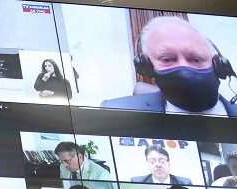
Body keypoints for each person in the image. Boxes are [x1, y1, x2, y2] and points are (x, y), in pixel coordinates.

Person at [101, 17, 237, 117]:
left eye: (195, 59)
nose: (184, 67)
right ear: (147, 67)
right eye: (167, 59)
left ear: (219, 65)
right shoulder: (114, 112)